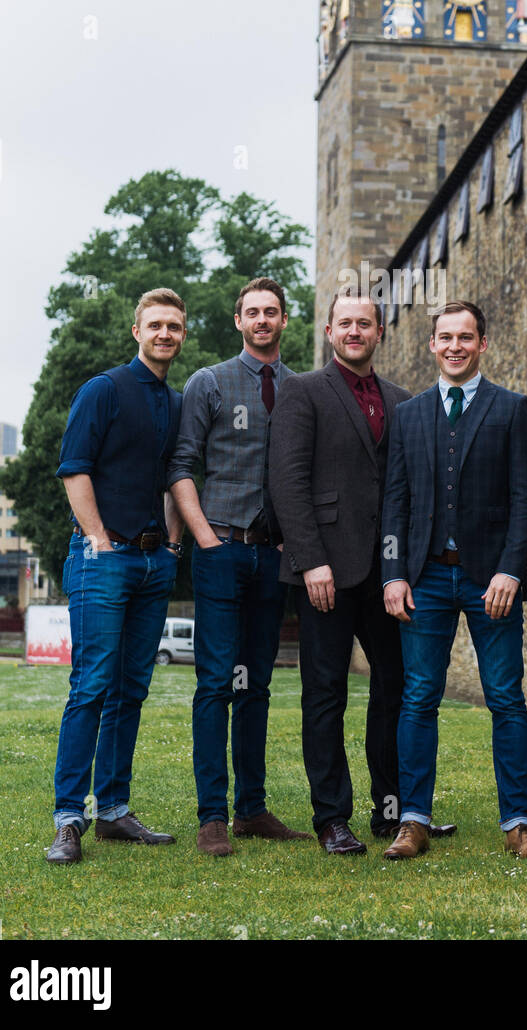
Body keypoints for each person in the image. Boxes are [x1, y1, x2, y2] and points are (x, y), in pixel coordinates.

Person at [381, 301, 527, 862]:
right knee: (418, 698)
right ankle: (413, 820)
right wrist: (393, 574)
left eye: (466, 337)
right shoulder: (409, 414)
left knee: (505, 698)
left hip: (490, 582)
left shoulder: (512, 408)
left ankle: (519, 824)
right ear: (433, 345)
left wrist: (511, 570)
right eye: (445, 337)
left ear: (483, 344)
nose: (455, 346)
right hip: (424, 578)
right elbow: (396, 503)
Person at [269, 292, 428, 855]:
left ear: (379, 332)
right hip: (325, 573)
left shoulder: (403, 401)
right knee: (325, 694)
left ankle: (392, 813)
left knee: (395, 690)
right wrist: (312, 560)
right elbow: (287, 482)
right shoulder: (302, 391)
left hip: (386, 574)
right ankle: (332, 817)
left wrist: (402, 567)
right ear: (329, 331)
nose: (354, 331)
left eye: (365, 323)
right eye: (345, 323)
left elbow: (406, 490)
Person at [167, 279, 310, 856]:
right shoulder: (209, 382)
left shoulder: (302, 390)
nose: (262, 321)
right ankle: (212, 816)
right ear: (237, 321)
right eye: (252, 313)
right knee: (215, 683)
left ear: (284, 320)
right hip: (221, 550)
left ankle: (252, 809)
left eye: (271, 312)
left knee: (258, 684)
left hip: (273, 557)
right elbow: (180, 464)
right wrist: (204, 539)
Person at [47, 288, 187, 865]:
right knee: (93, 685)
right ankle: (67, 818)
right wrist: (99, 539)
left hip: (155, 564)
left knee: (132, 689)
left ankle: (113, 810)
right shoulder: (103, 391)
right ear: (137, 331)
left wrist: (174, 546)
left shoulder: (176, 403)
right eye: (155, 324)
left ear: (182, 334)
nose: (164, 334)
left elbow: (175, 476)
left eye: (174, 326)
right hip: (102, 560)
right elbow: (73, 469)